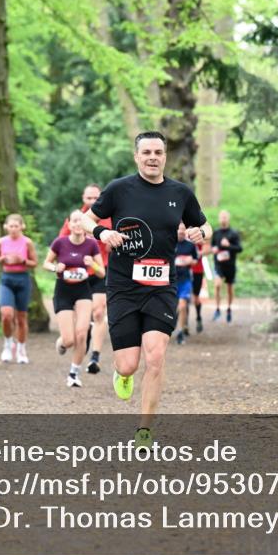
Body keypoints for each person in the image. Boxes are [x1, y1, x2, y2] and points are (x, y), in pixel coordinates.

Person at [84, 131, 210, 448]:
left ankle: (144, 432)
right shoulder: (118, 189)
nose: (152, 157)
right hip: (124, 286)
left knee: (155, 358)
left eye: (158, 152)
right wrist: (102, 232)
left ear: (165, 156)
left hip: (161, 286)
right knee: (129, 363)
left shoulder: (180, 193)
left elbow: (205, 225)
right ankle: (123, 374)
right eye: (146, 152)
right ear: (136, 156)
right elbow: (84, 219)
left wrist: (199, 232)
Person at [43, 211, 102, 388]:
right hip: (63, 290)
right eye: (74, 221)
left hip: (83, 291)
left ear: (85, 225)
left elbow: (102, 273)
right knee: (69, 340)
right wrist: (55, 267)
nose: (77, 224)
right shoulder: (60, 243)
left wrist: (92, 264)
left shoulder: (91, 244)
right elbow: (45, 263)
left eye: (80, 221)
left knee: (82, 333)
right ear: (68, 224)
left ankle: (73, 374)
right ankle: (61, 343)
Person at [59, 184, 112, 374]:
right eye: (88, 198)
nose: (91, 201)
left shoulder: (108, 218)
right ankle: (68, 341)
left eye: (95, 198)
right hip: (78, 273)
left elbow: (114, 244)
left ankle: (95, 357)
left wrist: (110, 245)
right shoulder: (75, 219)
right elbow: (61, 244)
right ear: (83, 198)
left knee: (98, 312)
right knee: (78, 319)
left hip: (101, 271)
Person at [0, 214, 38, 364]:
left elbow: (34, 262)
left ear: (22, 227)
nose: (13, 229)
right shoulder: (1, 242)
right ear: (6, 227)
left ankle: (21, 349)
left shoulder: (27, 242)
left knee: (21, 318)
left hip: (22, 279)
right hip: (6, 279)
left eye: (16, 226)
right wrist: (2, 259)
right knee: (6, 314)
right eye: (10, 226)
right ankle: (7, 344)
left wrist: (22, 260)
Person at [211, 210, 242, 323]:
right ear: (219, 219)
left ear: (228, 219)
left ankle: (229, 309)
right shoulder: (216, 233)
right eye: (221, 217)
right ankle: (217, 309)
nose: (223, 219)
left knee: (229, 288)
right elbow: (213, 247)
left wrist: (229, 246)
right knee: (217, 285)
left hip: (230, 265)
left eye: (225, 217)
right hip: (219, 264)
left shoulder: (233, 233)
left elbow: (239, 249)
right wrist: (213, 249)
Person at [173, 222, 199, 345]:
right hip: (171, 281)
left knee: (183, 306)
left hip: (185, 280)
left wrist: (190, 261)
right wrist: (175, 262)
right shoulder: (170, 244)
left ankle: (180, 332)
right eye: (179, 230)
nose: (181, 232)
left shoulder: (190, 246)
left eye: (183, 230)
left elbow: (196, 260)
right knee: (174, 307)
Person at [189, 239, 210, 334]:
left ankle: (198, 317)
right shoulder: (181, 231)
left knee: (195, 297)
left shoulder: (199, 232)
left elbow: (207, 249)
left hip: (197, 270)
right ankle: (183, 324)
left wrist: (197, 252)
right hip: (182, 270)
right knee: (183, 298)